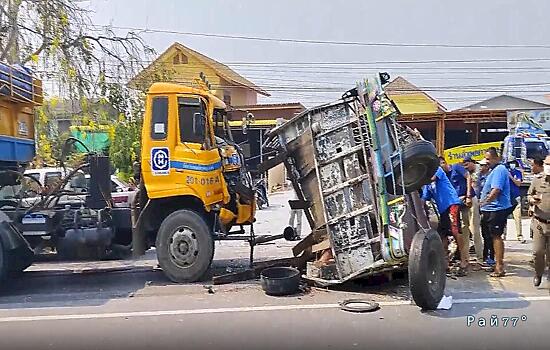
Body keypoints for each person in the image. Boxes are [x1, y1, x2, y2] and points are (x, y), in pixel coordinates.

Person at [422, 166, 468, 276]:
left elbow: (433, 178)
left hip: (451, 203)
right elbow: (423, 198)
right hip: (442, 209)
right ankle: (445, 262)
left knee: (456, 231)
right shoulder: (427, 186)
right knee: (442, 235)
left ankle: (464, 260)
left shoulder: (436, 169)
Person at [480, 148, 512, 278]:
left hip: (496, 209)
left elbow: (496, 190)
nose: (487, 162)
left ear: (496, 158)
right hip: (489, 209)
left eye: (488, 159)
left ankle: (499, 266)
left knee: (496, 236)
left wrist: (484, 202)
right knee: (489, 236)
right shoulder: (492, 171)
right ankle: (493, 262)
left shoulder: (500, 170)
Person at [440, 157, 473, 269]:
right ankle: (447, 261)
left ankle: (466, 259)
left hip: (463, 200)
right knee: (445, 233)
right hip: (448, 205)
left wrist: (468, 195)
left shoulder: (454, 168)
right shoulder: (443, 175)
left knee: (464, 229)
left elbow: (468, 176)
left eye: (441, 164)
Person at [527, 155, 550, 287]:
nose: (548, 167)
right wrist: (532, 200)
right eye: (546, 164)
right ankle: (538, 273)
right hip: (539, 222)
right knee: (537, 251)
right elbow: (529, 195)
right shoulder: (537, 180)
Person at [463, 157, 483, 263]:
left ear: (472, 162)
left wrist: (469, 196)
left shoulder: (480, 170)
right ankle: (467, 257)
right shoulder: (468, 172)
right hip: (470, 200)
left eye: (467, 165)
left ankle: (480, 257)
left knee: (475, 229)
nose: (466, 167)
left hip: (477, 200)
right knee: (466, 229)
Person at [477, 158, 493, 265]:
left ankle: (491, 257)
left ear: (487, 166)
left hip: (490, 208)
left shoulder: (491, 177)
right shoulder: (480, 177)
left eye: (482, 165)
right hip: (482, 208)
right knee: (484, 233)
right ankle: (485, 255)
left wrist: (485, 202)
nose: (480, 167)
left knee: (490, 234)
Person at [507, 159, 525, 243]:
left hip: (516, 197)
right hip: (506, 197)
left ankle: (519, 235)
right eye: (510, 163)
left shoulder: (517, 173)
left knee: (518, 217)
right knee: (503, 217)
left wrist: (510, 177)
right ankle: (503, 234)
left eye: (513, 163)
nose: (512, 165)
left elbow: (518, 183)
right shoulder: (504, 172)